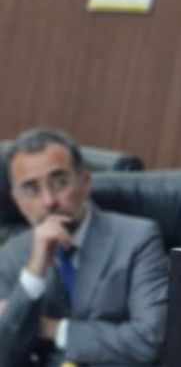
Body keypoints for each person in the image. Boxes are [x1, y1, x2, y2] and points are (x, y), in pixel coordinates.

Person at [0, 128, 169, 366]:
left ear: (85, 182)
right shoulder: (10, 256)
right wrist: (34, 273)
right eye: (31, 189)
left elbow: (150, 340)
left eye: (60, 182)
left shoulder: (137, 238)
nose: (49, 201)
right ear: (17, 201)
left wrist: (53, 329)